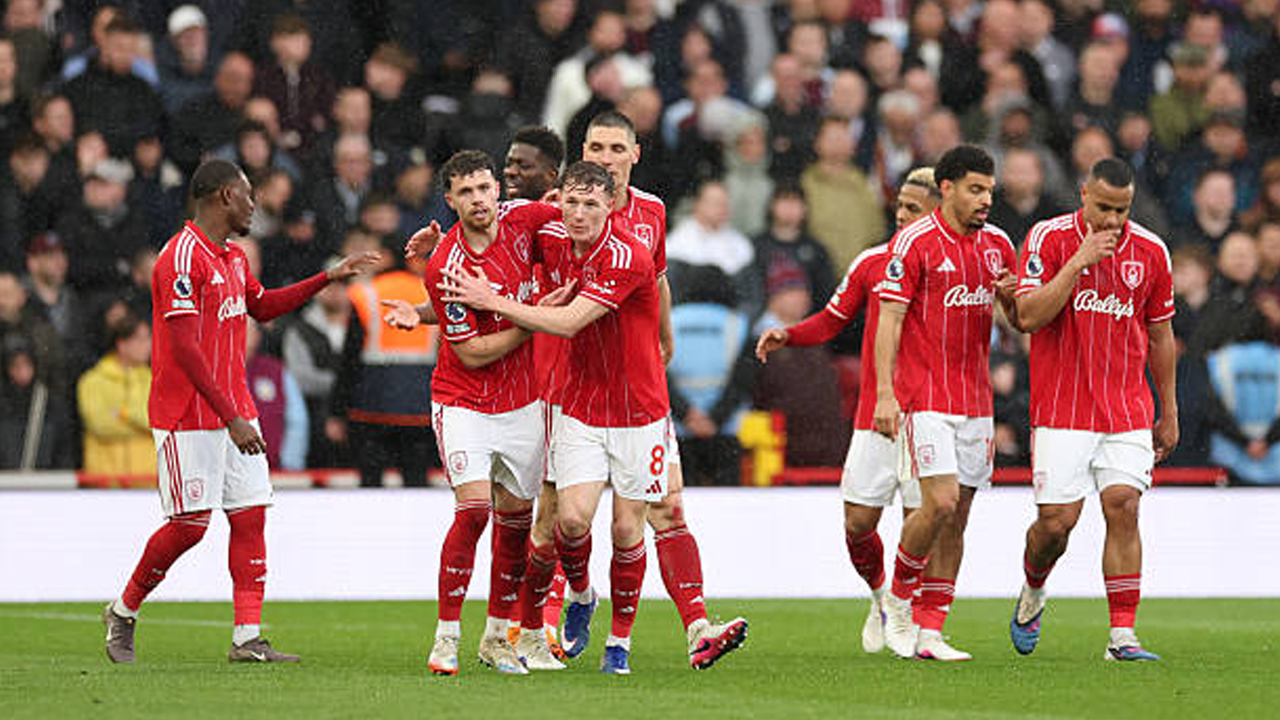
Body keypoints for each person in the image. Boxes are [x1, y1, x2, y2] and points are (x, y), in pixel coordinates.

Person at [101, 159, 376, 664]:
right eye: (249, 195)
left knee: (250, 518)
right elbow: (185, 349)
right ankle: (123, 610)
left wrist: (327, 277)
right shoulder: (180, 258)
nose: (256, 204)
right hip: (190, 413)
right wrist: (230, 415)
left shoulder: (231, 257)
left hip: (234, 410)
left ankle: (247, 638)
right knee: (189, 524)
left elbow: (263, 306)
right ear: (224, 196)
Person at [439, 160, 667, 675]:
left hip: (640, 410)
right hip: (579, 406)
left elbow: (564, 322)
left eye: (592, 204)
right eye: (572, 202)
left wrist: (492, 300)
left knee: (628, 530)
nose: (580, 213)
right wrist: (435, 284)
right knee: (568, 521)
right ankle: (582, 594)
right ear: (558, 200)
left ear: (612, 205)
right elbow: (489, 250)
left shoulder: (629, 256)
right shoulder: (551, 235)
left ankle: (619, 644)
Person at [385, 149, 567, 676]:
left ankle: (496, 639)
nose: (481, 199)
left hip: (523, 403)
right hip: (463, 400)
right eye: (467, 192)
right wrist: (538, 318)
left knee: (516, 526)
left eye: (486, 188)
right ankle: (446, 638)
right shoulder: (446, 265)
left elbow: (571, 225)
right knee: (473, 512)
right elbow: (472, 353)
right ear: (450, 200)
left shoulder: (522, 217)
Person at [580, 111, 748, 669]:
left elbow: (655, 280)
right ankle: (550, 616)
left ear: (635, 154)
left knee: (664, 509)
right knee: (563, 519)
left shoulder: (651, 211)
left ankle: (698, 626)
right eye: (595, 147)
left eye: (615, 148)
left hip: (639, 387)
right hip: (574, 388)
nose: (605, 157)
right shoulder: (562, 211)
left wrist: (666, 333)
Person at [756, 166, 940, 656]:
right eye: (899, 207)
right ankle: (882, 595)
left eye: (914, 209)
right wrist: (789, 333)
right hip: (876, 414)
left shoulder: (954, 268)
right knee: (859, 523)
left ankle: (910, 610)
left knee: (922, 518)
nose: (901, 216)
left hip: (933, 411)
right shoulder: (873, 263)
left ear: (939, 214)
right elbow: (834, 318)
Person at [1010, 158, 1178, 662]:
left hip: (1126, 405)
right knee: (1056, 525)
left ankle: (1122, 636)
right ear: (1083, 194)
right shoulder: (1047, 238)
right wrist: (1078, 263)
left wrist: (1168, 410)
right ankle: (1033, 588)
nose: (1111, 220)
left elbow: (1161, 334)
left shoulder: (1151, 250)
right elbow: (1027, 316)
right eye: (1103, 207)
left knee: (1123, 504)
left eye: (1121, 210)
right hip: (1062, 407)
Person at [871, 145, 1019, 659]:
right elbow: (888, 320)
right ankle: (898, 600)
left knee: (958, 517)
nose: (985, 201)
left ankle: (932, 630)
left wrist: (1009, 296)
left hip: (975, 400)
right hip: (924, 396)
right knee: (939, 501)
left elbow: (1019, 321)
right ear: (948, 188)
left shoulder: (998, 245)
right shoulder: (913, 243)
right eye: (976, 190)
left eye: (990, 192)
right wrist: (886, 393)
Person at [77, 314, 154, 478]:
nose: (148, 345)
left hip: (148, 481)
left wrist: (123, 414)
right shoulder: (93, 381)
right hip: (105, 483)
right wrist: (142, 426)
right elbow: (101, 425)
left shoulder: (155, 380)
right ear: (122, 344)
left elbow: (157, 422)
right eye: (140, 339)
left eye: (149, 338)